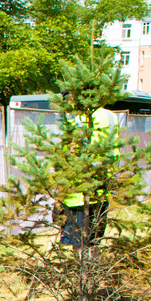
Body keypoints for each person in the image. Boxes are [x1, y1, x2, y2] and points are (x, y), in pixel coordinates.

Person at [60, 107, 121, 251]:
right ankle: (92, 272)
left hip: (77, 194)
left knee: (78, 244)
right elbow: (113, 154)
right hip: (99, 191)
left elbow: (70, 154)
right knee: (93, 243)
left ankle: (81, 272)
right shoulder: (109, 115)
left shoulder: (77, 117)